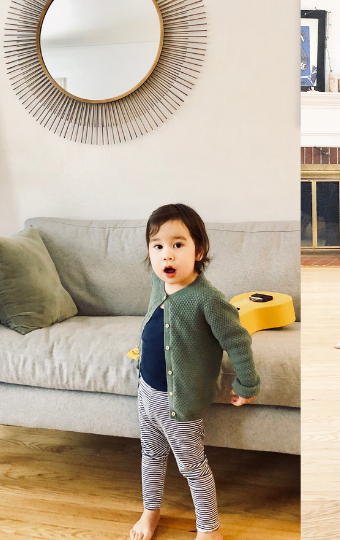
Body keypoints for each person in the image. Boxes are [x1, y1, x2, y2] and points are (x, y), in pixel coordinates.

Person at [130, 204, 260, 540]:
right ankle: (150, 509)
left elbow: (238, 341)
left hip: (180, 404)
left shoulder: (208, 299)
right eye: (158, 246)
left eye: (178, 244)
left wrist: (247, 383)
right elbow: (159, 326)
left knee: (192, 467)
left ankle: (208, 528)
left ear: (198, 250)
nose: (167, 256)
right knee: (150, 455)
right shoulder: (158, 283)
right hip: (146, 391)